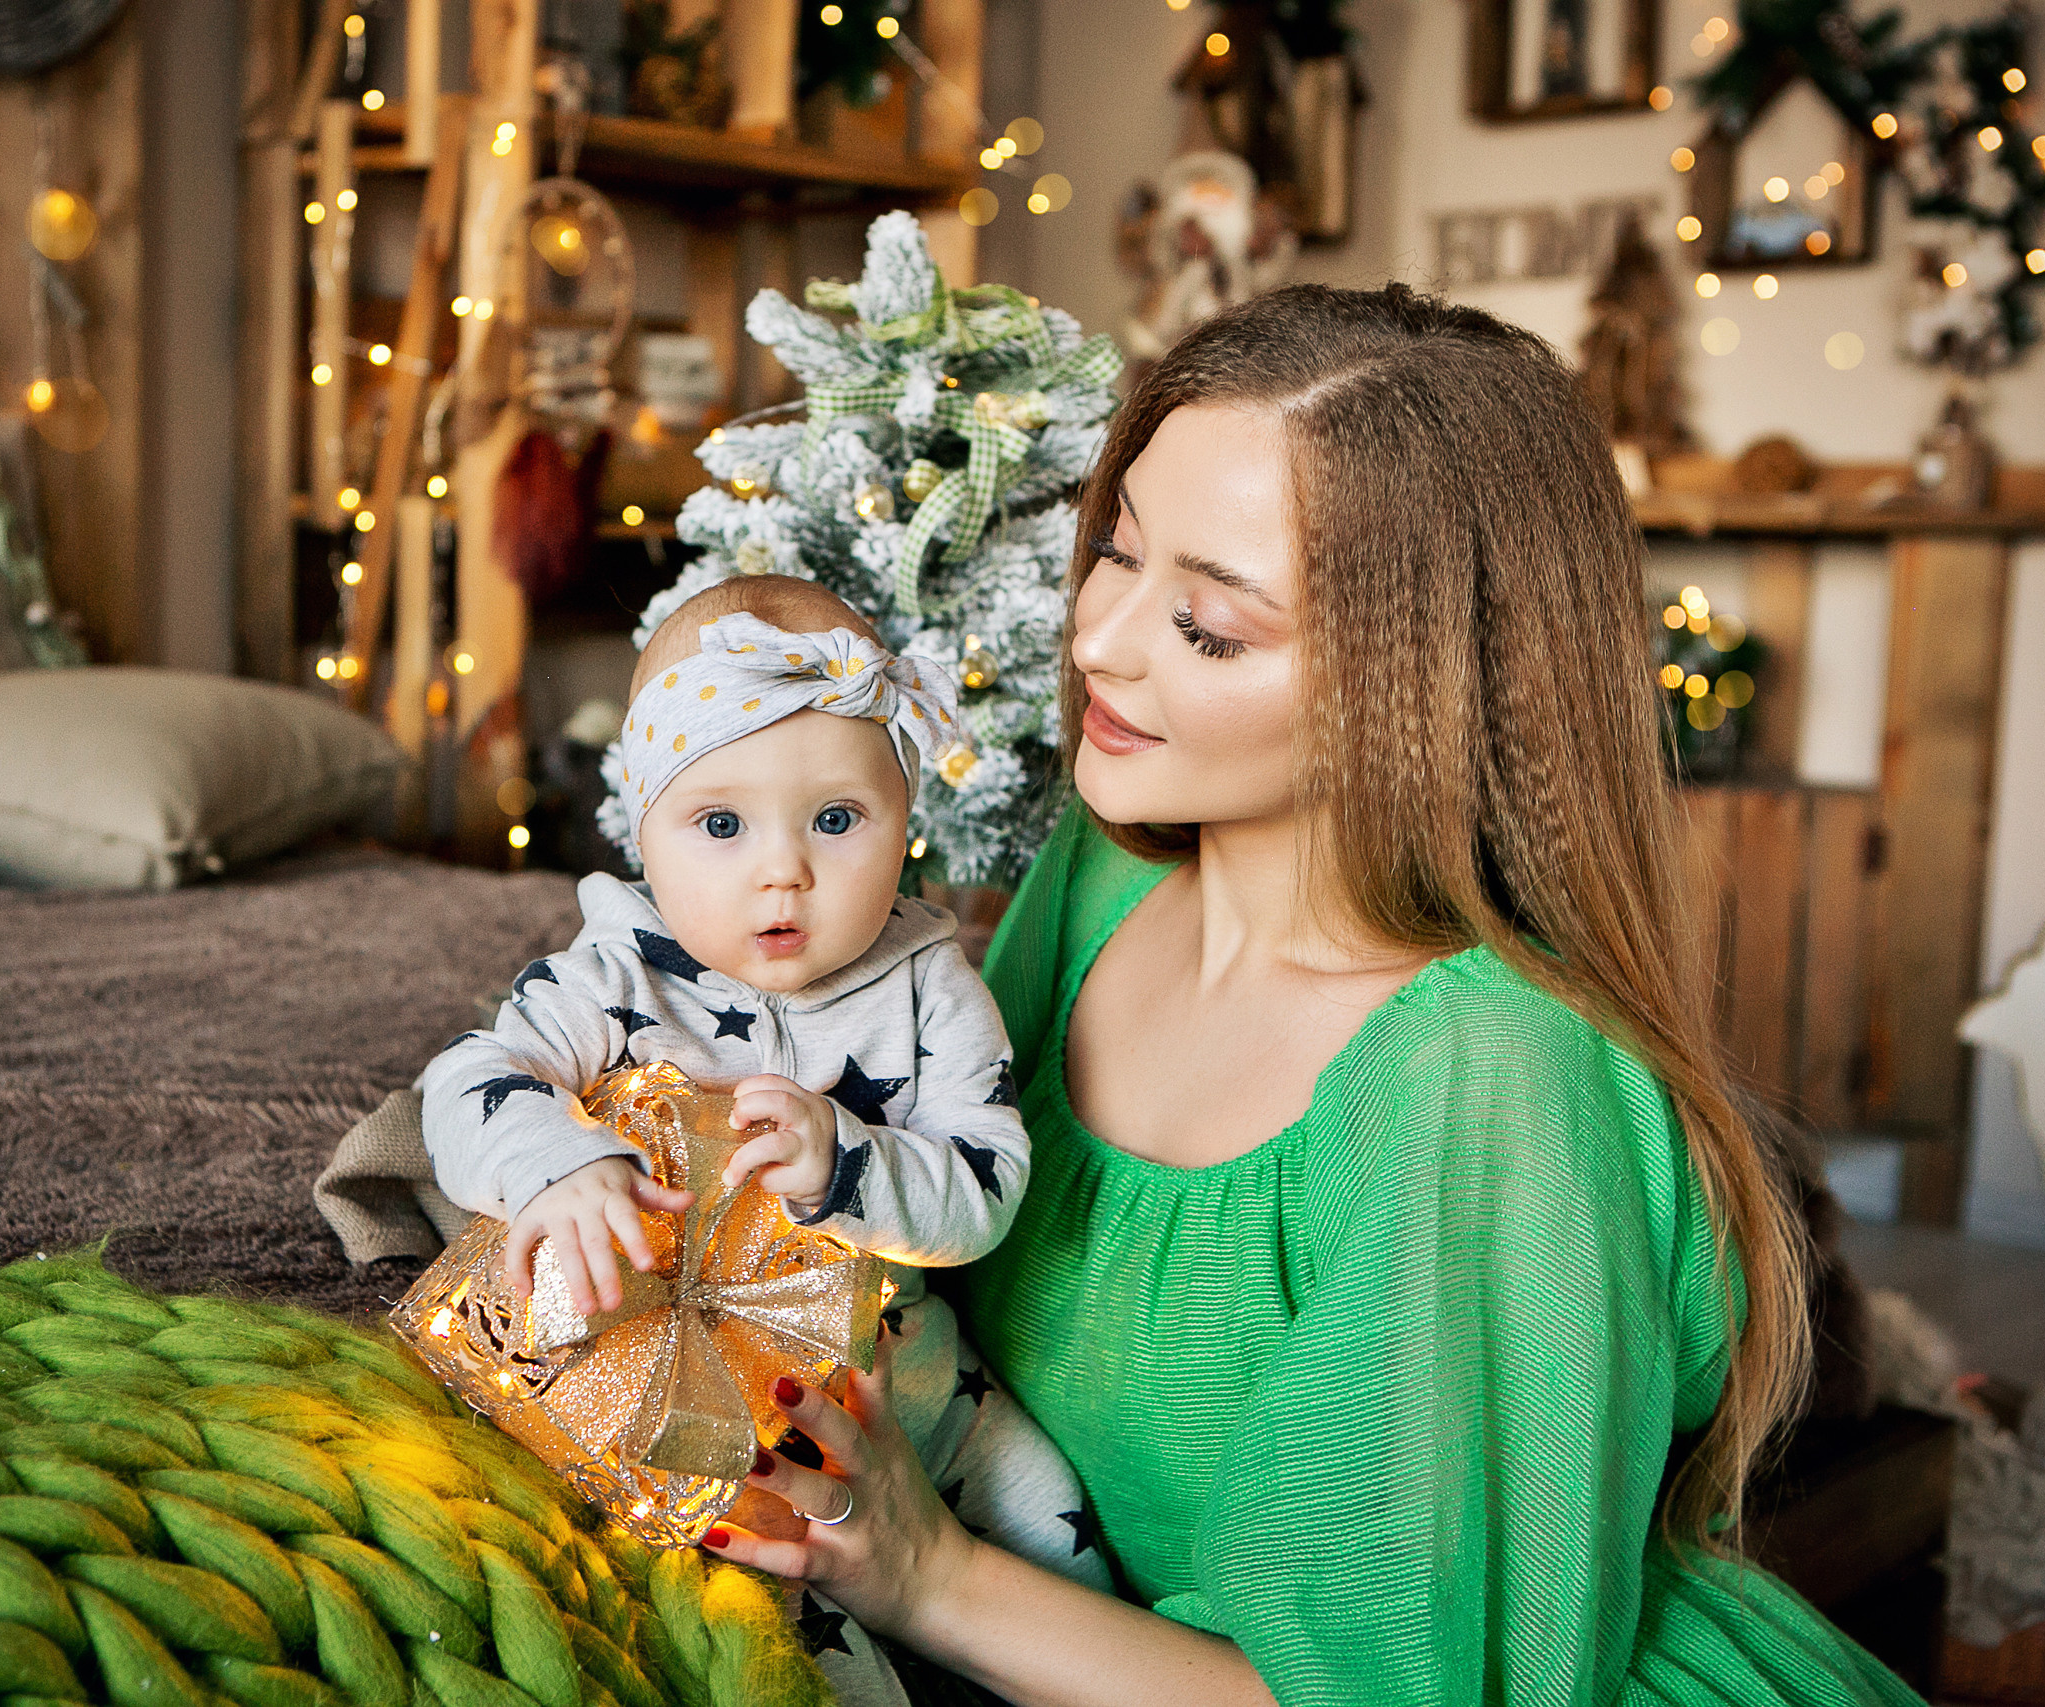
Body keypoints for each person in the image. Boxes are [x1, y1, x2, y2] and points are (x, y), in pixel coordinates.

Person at [695, 284, 1928, 1706]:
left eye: (1208, 623)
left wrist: (927, 1574)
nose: (1101, 640)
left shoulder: (1491, 1080)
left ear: (1423, 684)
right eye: (1118, 553)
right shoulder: (1099, 879)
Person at [418, 576, 1115, 1638]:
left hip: (910, 1393)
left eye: (836, 819)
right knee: (757, 1627)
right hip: (682, 1400)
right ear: (643, 834)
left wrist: (849, 1162)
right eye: (721, 823)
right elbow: (467, 1079)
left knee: (1065, 1545)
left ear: (905, 822)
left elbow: (986, 1185)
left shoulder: (931, 987)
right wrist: (555, 1164)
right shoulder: (617, 976)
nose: (782, 871)